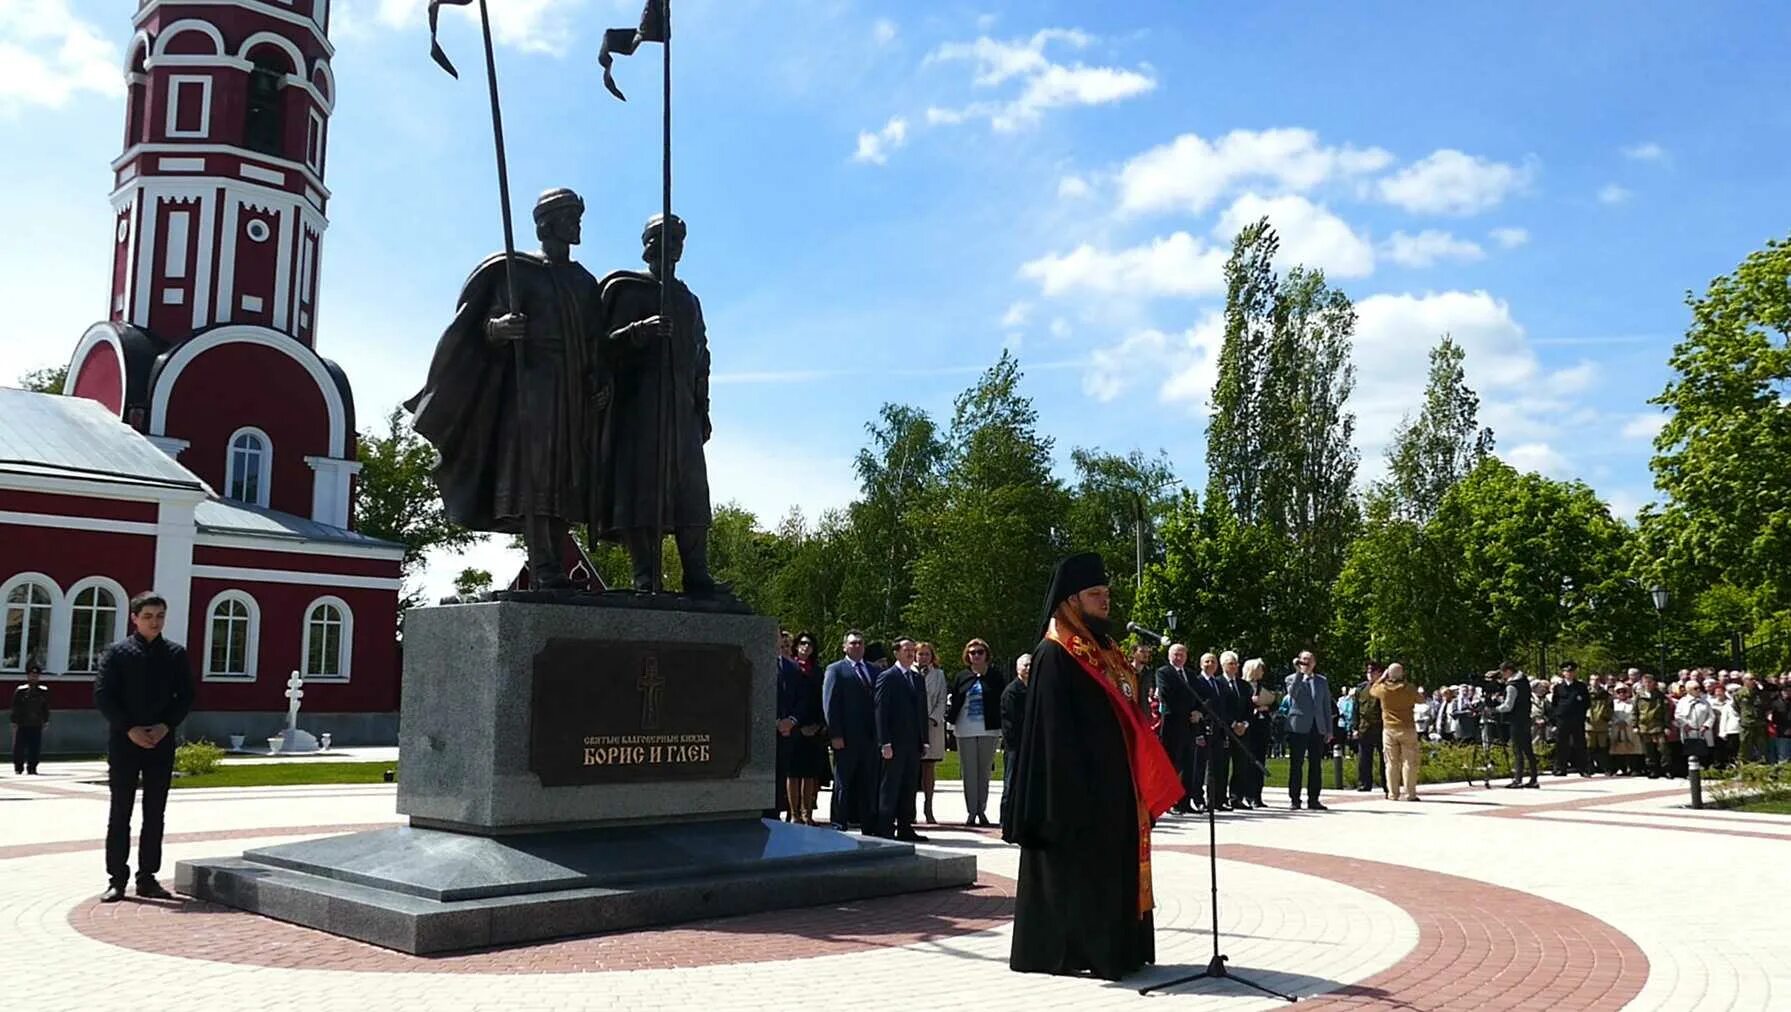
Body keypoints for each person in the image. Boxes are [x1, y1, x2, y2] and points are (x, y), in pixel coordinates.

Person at [406, 187, 605, 588]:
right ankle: (545, 568)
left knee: (569, 476)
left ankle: (555, 566)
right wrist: (499, 328)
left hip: (572, 389)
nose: (576, 223)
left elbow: (595, 340)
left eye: (578, 216)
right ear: (546, 224)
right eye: (569, 216)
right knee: (536, 476)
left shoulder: (585, 282)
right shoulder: (517, 271)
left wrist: (598, 377)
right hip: (531, 386)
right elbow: (482, 324)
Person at [1006, 552, 1181, 980]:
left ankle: (1121, 949)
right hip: (1074, 791)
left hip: (1117, 786)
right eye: (1095, 594)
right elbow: (1051, 733)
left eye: (1106, 594)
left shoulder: (1106, 650)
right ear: (1071, 601)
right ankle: (1081, 953)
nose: (1105, 602)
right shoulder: (1055, 653)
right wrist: (1074, 788)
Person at [594, 212, 721, 594]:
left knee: (692, 490)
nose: (673, 247)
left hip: (682, 408)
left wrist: (703, 403)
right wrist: (637, 332)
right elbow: (596, 347)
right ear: (647, 245)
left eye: (679, 240)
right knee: (643, 489)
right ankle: (645, 574)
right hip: (640, 408)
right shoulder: (626, 289)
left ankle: (696, 573)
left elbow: (702, 355)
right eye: (665, 239)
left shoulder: (687, 299)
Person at [93, 592, 192, 902]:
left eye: (160, 616)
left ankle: (147, 877)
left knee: (155, 812)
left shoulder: (175, 654)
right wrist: (129, 728)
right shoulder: (117, 653)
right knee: (120, 810)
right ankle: (116, 879)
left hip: (160, 742)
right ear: (134, 618)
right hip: (125, 742)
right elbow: (103, 695)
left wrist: (165, 726)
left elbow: (186, 696)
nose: (155, 622)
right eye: (148, 616)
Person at [822, 630, 879, 832]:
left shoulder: (874, 671)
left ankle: (868, 823)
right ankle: (839, 822)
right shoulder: (835, 670)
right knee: (843, 783)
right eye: (853, 643)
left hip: (870, 738)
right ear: (844, 646)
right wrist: (835, 734)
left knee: (868, 782)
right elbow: (830, 705)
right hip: (846, 738)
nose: (857, 646)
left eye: (860, 643)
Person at [874, 639, 929, 842]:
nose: (910, 653)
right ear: (896, 653)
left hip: (912, 744)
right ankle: (885, 828)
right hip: (894, 744)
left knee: (908, 787)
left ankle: (905, 827)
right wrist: (884, 742)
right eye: (906, 650)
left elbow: (921, 711)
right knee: (891, 787)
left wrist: (924, 740)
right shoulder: (887, 677)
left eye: (912, 650)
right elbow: (881, 711)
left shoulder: (917, 678)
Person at [947, 639, 1004, 828]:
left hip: (989, 729)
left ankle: (982, 810)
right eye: (972, 653)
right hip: (965, 729)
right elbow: (955, 700)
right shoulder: (962, 676)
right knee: (969, 773)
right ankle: (971, 812)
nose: (976, 656)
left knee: (984, 772)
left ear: (986, 654)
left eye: (980, 652)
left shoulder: (995, 677)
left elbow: (1002, 702)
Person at [785, 631, 828, 824]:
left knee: (810, 772)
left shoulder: (818, 671)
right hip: (794, 726)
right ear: (796, 646)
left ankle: (807, 813)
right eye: (802, 643)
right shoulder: (789, 667)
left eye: (809, 645)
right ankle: (793, 813)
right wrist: (796, 724)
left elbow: (822, 699)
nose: (805, 647)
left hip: (814, 727)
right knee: (793, 772)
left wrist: (818, 724)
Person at [1283, 650, 1332, 810]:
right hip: (1298, 726)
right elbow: (1293, 694)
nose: (1306, 662)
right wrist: (1299, 673)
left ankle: (1314, 798)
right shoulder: (1291, 679)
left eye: (1309, 660)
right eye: (1303, 659)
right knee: (1296, 763)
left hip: (1317, 727)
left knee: (1316, 764)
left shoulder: (1321, 681)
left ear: (1314, 663)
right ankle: (1295, 799)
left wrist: (1328, 730)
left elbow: (1326, 706)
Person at [1154, 644, 1201, 814]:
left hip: (1190, 725)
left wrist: (1198, 712)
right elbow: (1167, 695)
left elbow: (1203, 696)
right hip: (1173, 725)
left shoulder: (1190, 675)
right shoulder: (1164, 672)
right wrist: (1188, 710)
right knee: (1172, 764)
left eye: (1182, 654)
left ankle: (1184, 802)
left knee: (1189, 764)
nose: (1179, 657)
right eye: (1176, 654)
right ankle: (1168, 802)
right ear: (1169, 656)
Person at [1370, 662, 1422, 801]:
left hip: (1389, 729)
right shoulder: (1409, 689)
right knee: (1409, 763)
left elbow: (1372, 689)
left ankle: (1393, 794)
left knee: (1391, 763)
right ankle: (1410, 794)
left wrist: (1382, 677)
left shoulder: (1383, 689)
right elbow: (1421, 700)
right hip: (1408, 728)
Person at [915, 642, 949, 824]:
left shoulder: (938, 675)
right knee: (910, 769)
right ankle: (908, 809)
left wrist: (932, 718)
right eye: (920, 654)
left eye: (927, 654)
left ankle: (928, 808)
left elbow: (942, 699)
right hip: (911, 727)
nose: (923, 658)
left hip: (931, 725)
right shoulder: (908, 672)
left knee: (928, 768)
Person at [999, 652, 1031, 835]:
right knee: (1010, 785)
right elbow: (1011, 722)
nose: (1028, 668)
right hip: (1015, 747)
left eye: (1030, 665)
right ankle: (1005, 821)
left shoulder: (1035, 688)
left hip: (1030, 745)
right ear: (1017, 668)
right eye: (1025, 665)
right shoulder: (1011, 692)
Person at [1238, 658, 1275, 808]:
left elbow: (1274, 704)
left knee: (1260, 761)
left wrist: (1266, 707)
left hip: (1262, 726)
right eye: (1260, 669)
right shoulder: (1243, 686)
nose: (1262, 672)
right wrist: (1252, 703)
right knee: (1247, 762)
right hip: (1248, 728)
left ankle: (1257, 796)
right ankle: (1246, 793)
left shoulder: (1263, 686)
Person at [1496, 661, 1538, 788]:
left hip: (1516, 720)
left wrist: (1495, 709)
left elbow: (1508, 706)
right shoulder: (1524, 681)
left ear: (1508, 671)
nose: (1503, 676)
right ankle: (1534, 778)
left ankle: (1518, 779)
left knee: (1517, 750)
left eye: (1503, 673)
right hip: (1525, 718)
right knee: (1528, 750)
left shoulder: (1512, 686)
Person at [1348, 663, 1386, 794]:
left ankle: (1387, 784)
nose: (1370, 674)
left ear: (1380, 673)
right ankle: (1364, 784)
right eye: (1368, 672)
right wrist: (1355, 727)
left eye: (1373, 671)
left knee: (1385, 758)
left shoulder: (1384, 688)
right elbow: (1356, 710)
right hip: (1365, 728)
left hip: (1381, 727)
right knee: (1364, 758)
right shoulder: (1361, 689)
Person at [11, 661, 51, 775]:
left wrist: (46, 720)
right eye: (32, 675)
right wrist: (14, 721)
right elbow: (15, 707)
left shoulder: (43, 691)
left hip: (36, 723)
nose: (34, 677)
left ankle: (32, 767)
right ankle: (18, 767)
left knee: (35, 747)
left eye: (36, 675)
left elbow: (45, 707)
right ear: (28, 676)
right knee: (19, 746)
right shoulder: (21, 690)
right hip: (22, 723)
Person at [1551, 662, 1591, 776]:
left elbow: (1586, 702)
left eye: (1571, 671)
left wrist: (1581, 715)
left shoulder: (1581, 686)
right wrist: (1557, 717)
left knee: (1580, 744)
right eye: (1567, 672)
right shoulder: (1558, 687)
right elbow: (1555, 703)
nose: (1569, 674)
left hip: (1577, 719)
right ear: (1563, 673)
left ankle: (1583, 769)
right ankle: (1560, 768)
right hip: (1563, 719)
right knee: (1561, 744)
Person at [1634, 673, 1671, 778]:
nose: (1648, 684)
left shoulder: (1660, 696)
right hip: (1644, 726)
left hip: (1658, 725)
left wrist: (1667, 726)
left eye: (1650, 682)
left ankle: (1666, 770)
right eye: (1646, 682)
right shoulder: (1639, 696)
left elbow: (1666, 712)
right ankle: (1653, 770)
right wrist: (1635, 725)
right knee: (1648, 750)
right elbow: (1635, 712)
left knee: (1663, 749)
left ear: (1654, 683)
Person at [1675, 678, 1715, 767]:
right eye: (1695, 688)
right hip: (1689, 732)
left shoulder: (1705, 702)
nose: (1698, 690)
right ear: (1689, 690)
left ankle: (1704, 770)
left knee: (1704, 752)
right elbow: (1678, 716)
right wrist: (1684, 725)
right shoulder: (1682, 702)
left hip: (1703, 732)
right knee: (1690, 753)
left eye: (1699, 688)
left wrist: (1706, 726)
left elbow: (1711, 716)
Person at [1608, 682, 1643, 774]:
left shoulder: (1632, 702)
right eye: (1619, 691)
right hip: (1616, 728)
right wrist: (1617, 722)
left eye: (1624, 691)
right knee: (1618, 749)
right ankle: (1620, 768)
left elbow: (1634, 713)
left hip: (1629, 728)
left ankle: (1634, 768)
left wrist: (1626, 722)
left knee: (1633, 748)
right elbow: (1610, 714)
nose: (1621, 693)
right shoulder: (1613, 703)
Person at [1586, 673, 1613, 774]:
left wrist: (1606, 717)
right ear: (1589, 681)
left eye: (1597, 680)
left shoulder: (1606, 695)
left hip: (1602, 724)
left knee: (1603, 747)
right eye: (1593, 680)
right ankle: (1589, 768)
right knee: (1589, 748)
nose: (1595, 682)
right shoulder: (1586, 693)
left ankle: (1606, 768)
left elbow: (1610, 708)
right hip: (1589, 724)